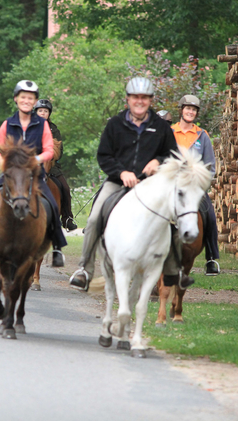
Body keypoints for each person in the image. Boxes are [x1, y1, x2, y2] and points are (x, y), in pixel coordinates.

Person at [69, 77, 179, 291]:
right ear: (128, 99)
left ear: (150, 100)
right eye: (135, 97)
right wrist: (121, 173)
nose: (140, 101)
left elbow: (171, 153)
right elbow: (104, 156)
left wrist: (158, 161)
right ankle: (84, 270)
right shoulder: (115, 124)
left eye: (144, 98)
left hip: (150, 185)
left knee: (174, 217)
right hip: (117, 183)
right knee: (93, 220)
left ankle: (172, 270)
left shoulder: (160, 127)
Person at [0, 80, 67, 267]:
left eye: (30, 98)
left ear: (35, 101)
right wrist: (4, 163)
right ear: (16, 99)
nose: (26, 100)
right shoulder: (8, 123)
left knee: (52, 204)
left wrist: (36, 160)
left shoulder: (42, 125)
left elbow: (49, 150)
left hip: (34, 174)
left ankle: (57, 248)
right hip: (12, 174)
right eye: (23, 97)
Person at [171, 94, 220, 275]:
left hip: (194, 188)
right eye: (187, 108)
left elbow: (210, 166)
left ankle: (211, 258)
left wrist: (201, 185)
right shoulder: (170, 132)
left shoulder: (202, 136)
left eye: (194, 110)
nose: (190, 112)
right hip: (172, 186)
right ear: (181, 110)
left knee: (210, 215)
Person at [33, 99, 77, 232]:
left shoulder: (54, 129)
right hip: (32, 164)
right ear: (36, 112)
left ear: (49, 114)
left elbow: (59, 149)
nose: (42, 113)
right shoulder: (30, 127)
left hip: (52, 166)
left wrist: (50, 156)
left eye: (45, 111)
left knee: (65, 188)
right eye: (40, 111)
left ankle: (67, 218)